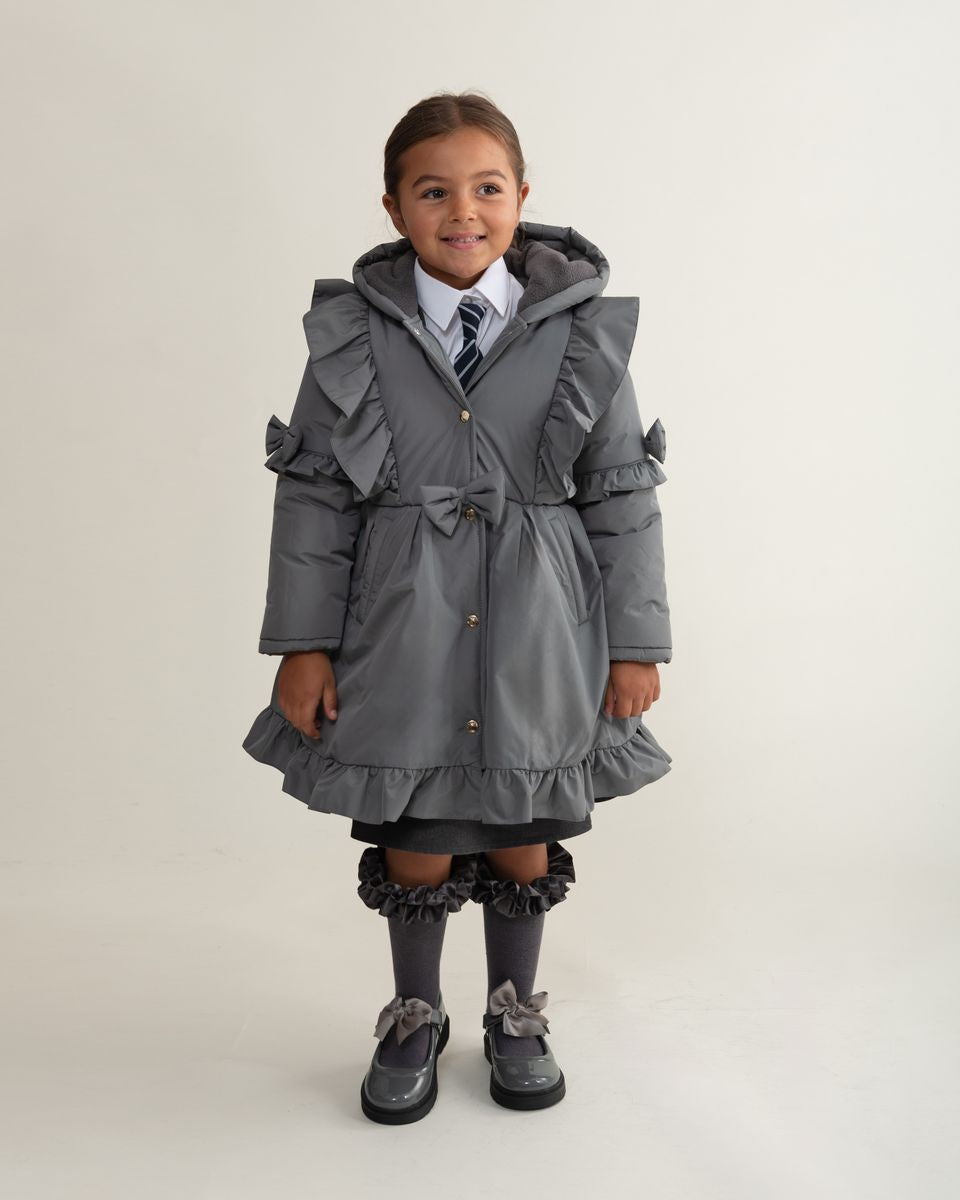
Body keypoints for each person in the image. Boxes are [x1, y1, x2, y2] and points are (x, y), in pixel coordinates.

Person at [241, 91, 673, 1124]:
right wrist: (304, 642)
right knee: (418, 829)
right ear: (394, 208)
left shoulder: (583, 336)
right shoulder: (352, 337)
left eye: (486, 188)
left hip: (543, 627)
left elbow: (621, 494)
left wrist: (636, 643)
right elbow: (314, 496)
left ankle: (515, 1010)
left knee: (524, 824)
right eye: (433, 192)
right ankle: (415, 1011)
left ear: (522, 196)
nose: (463, 211)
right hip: (402, 625)